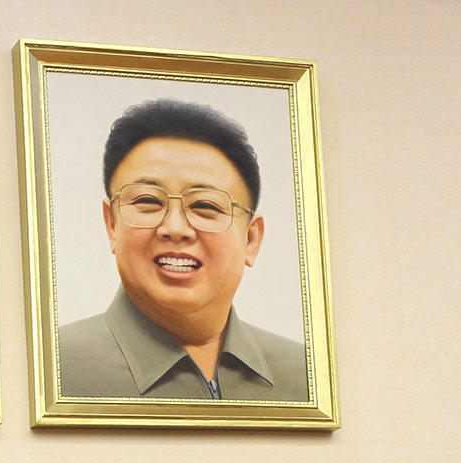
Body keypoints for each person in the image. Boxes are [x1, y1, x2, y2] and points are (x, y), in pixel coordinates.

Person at [58, 98, 308, 401]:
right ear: (112, 224)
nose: (175, 228)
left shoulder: (305, 377)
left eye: (205, 206)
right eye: (148, 201)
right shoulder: (57, 368)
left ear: (251, 240)